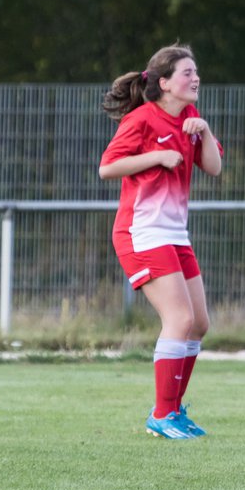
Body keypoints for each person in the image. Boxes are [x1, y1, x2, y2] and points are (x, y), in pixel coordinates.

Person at [99, 45, 224, 440]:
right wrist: (156, 157)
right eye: (187, 72)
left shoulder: (189, 117)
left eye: (196, 71)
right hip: (142, 232)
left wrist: (203, 130)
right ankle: (162, 414)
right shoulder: (141, 119)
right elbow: (107, 167)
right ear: (164, 83)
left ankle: (172, 411)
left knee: (199, 323)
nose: (196, 78)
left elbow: (214, 167)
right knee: (180, 320)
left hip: (174, 234)